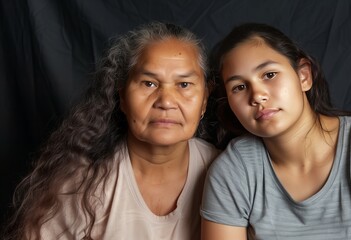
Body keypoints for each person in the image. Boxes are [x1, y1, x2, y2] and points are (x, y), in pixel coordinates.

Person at [200, 23, 351, 240]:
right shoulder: (233, 170)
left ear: (303, 76)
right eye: (239, 87)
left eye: (269, 75)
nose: (257, 95)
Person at [3, 21, 219, 240]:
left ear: (204, 100)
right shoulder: (81, 182)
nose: (166, 101)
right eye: (149, 83)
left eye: (184, 85)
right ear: (123, 97)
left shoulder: (227, 170)